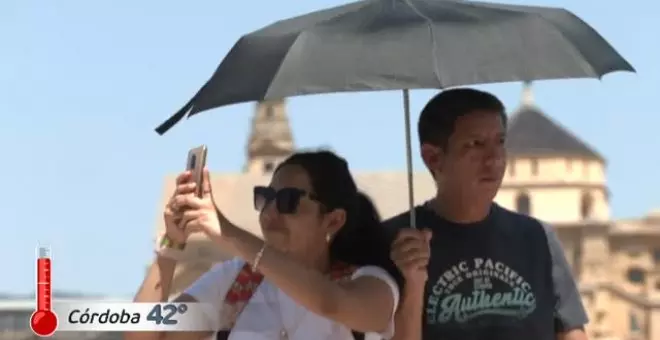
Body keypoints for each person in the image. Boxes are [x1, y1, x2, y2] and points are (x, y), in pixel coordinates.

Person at [126, 150, 401, 340]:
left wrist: (229, 233)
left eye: (287, 201)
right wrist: (171, 244)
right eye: (266, 197)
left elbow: (330, 303)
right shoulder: (233, 280)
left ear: (333, 220)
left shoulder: (368, 282)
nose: (270, 213)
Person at [387, 88, 589, 340]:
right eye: (476, 144)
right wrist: (412, 284)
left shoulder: (537, 238)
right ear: (433, 158)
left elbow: (571, 332)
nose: (494, 159)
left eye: (500, 142)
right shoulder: (394, 243)